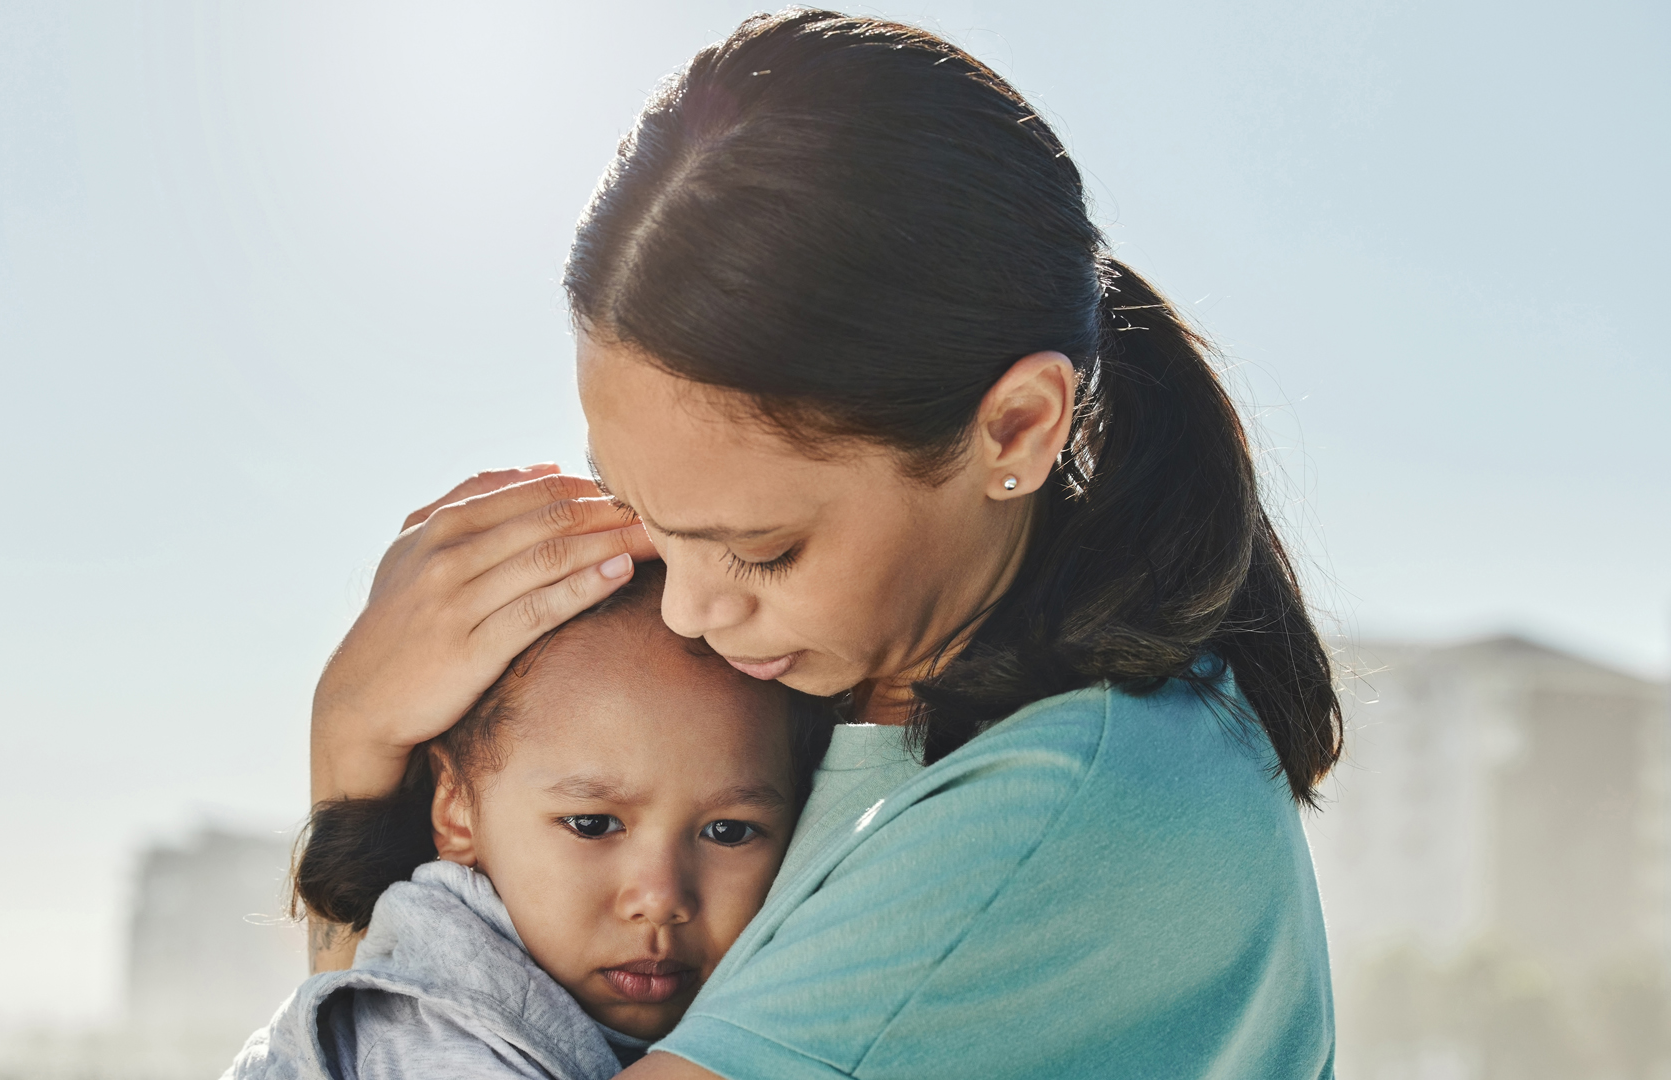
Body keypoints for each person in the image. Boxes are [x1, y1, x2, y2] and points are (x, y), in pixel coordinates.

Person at [308, 10, 1343, 1078]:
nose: (688, 611)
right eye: (648, 514)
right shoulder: (829, 688)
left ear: (1021, 428)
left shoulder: (1053, 808)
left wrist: (349, 761)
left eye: (762, 550)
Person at [228, 564, 829, 1079]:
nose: (660, 898)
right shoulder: (431, 1039)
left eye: (727, 832)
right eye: (592, 825)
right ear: (456, 808)